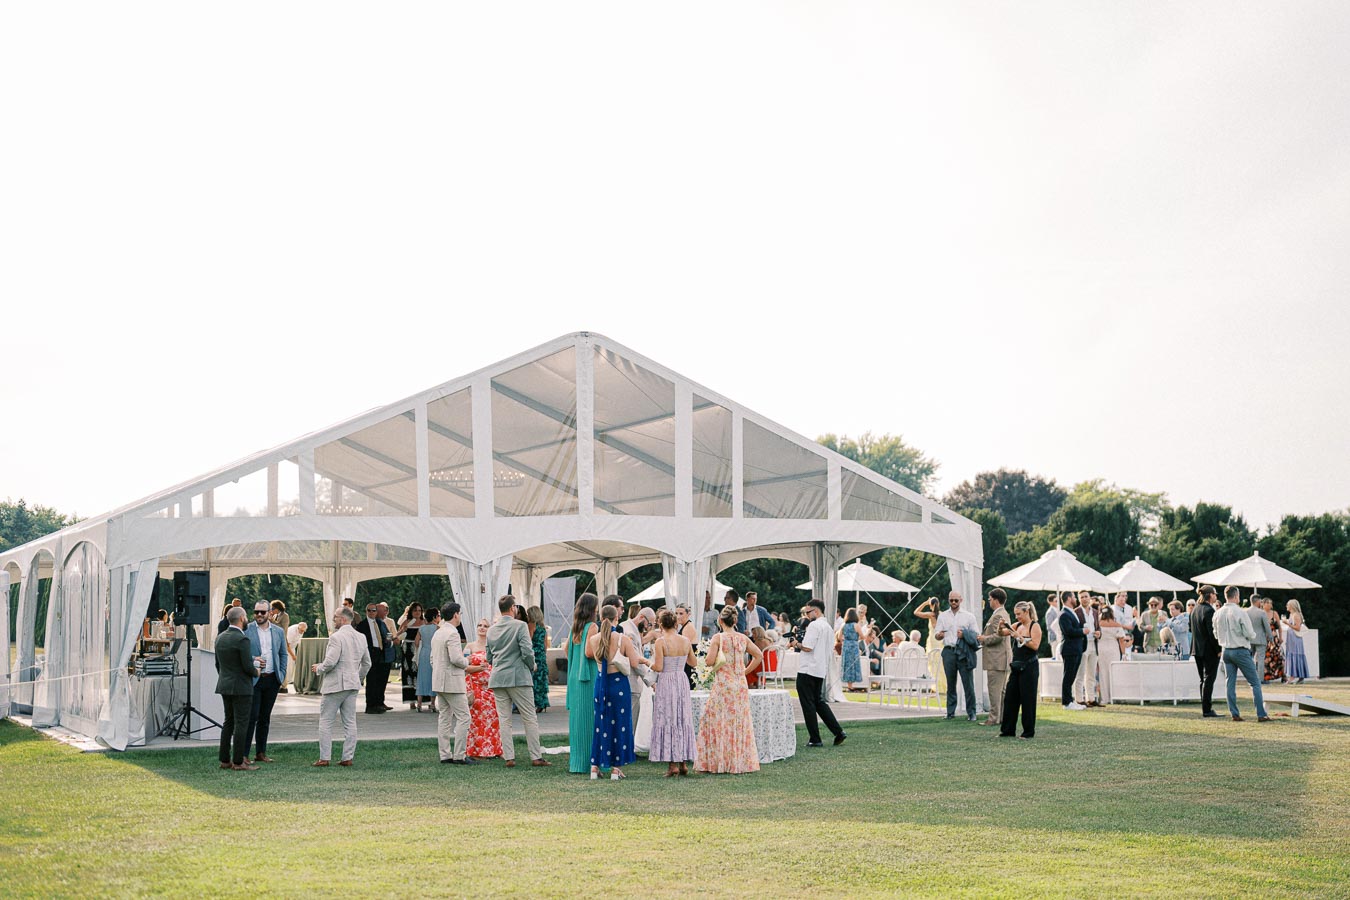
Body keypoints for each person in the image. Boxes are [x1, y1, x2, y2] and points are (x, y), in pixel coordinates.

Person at [695, 604, 762, 774]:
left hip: (724, 684)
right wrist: (744, 671)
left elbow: (709, 661)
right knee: (738, 722)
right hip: (739, 684)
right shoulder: (742, 638)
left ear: (720, 620)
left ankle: (719, 761)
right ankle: (738, 762)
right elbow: (759, 655)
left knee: (717, 720)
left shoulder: (718, 637)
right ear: (735, 620)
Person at [487, 595, 551, 768]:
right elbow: (527, 651)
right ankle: (536, 756)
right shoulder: (520, 625)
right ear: (513, 607)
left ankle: (509, 757)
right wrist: (533, 666)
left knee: (504, 720)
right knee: (529, 717)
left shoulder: (491, 630)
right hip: (518, 677)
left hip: (498, 677)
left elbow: (489, 656)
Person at [311, 607, 371, 767]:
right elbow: (367, 664)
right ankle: (347, 757)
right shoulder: (361, 637)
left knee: (326, 720)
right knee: (350, 722)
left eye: (335, 617)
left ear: (343, 619)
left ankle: (324, 757)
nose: (333, 620)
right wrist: (357, 677)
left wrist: (318, 668)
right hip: (352, 684)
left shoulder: (336, 637)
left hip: (335, 685)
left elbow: (330, 662)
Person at [586, 605, 641, 779]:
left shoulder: (594, 639)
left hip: (601, 684)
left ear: (601, 618)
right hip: (618, 685)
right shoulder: (622, 639)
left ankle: (595, 767)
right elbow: (634, 662)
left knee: (600, 725)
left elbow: (588, 654)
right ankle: (616, 769)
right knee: (621, 725)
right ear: (616, 618)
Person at [790, 599, 846, 748]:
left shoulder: (814, 625)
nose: (806, 615)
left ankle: (815, 738)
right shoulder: (828, 627)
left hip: (808, 669)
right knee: (819, 702)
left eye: (808, 612)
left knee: (808, 704)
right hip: (820, 669)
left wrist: (795, 642)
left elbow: (808, 647)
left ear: (816, 611)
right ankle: (838, 732)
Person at [649, 608, 697, 777]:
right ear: (676, 623)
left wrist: (645, 662)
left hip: (667, 680)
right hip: (681, 679)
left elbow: (659, 667)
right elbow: (693, 662)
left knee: (669, 717)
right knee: (681, 717)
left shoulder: (661, 642)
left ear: (660, 624)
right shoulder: (685, 640)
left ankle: (672, 765)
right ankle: (683, 763)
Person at [1214, 586, 1271, 722]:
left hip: (1226, 650)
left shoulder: (1218, 613)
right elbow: (1249, 633)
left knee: (1230, 683)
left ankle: (1234, 713)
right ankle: (1261, 714)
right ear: (1236, 596)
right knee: (1255, 682)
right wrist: (1252, 636)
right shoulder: (1240, 612)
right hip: (1240, 649)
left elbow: (1215, 634)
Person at [215, 607, 260, 771]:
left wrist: (226, 677)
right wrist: (257, 671)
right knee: (242, 724)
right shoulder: (242, 639)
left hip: (225, 684)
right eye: (246, 617)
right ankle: (239, 761)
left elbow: (218, 664)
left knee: (228, 722)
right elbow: (247, 667)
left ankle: (224, 760)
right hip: (241, 686)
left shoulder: (220, 637)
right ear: (241, 618)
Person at [244, 601, 288, 763]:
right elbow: (240, 653)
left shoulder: (277, 631)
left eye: (263, 612)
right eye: (256, 612)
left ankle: (261, 752)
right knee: (251, 717)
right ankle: (244, 754)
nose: (259, 615)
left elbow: (283, 654)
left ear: (270, 613)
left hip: (272, 679)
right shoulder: (246, 629)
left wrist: (281, 674)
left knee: (265, 718)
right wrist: (252, 659)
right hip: (254, 679)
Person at [430, 603, 474, 764]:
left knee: (444, 718)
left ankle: (445, 754)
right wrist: (466, 660)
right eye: (460, 613)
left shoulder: (439, 632)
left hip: (439, 680)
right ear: (455, 615)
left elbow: (433, 659)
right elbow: (456, 658)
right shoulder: (453, 633)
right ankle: (460, 755)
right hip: (452, 681)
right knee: (464, 717)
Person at [999, 601, 1042, 739]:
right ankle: (1007, 730)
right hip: (1017, 666)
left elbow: (1035, 646)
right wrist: (1000, 627)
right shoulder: (1016, 626)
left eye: (1019, 614)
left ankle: (1028, 732)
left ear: (1026, 612)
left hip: (1030, 667)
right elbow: (1002, 633)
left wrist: (1020, 638)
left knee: (1028, 699)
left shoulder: (1034, 626)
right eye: (1015, 614)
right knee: (1010, 698)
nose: (1016, 617)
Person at [567, 593, 600, 773]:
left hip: (575, 676)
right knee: (591, 719)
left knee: (578, 720)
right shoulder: (592, 627)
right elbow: (589, 652)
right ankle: (591, 761)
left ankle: (577, 762)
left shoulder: (575, 628)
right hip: (588, 676)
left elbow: (567, 650)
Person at [935, 590, 979, 721]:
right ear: (948, 600)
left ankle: (971, 712)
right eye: (951, 600)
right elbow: (936, 633)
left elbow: (976, 634)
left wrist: (964, 634)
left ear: (961, 600)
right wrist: (939, 635)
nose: (953, 603)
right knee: (951, 683)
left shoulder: (969, 616)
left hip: (963, 651)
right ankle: (950, 712)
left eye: (956, 600)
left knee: (968, 683)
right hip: (949, 650)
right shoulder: (943, 616)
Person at [465, 618, 503, 759]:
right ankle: (475, 750)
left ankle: (494, 749)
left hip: (491, 687)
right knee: (476, 719)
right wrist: (479, 668)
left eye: (485, 626)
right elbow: (464, 666)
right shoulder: (470, 646)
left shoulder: (494, 646)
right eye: (479, 625)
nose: (482, 628)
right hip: (475, 687)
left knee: (493, 717)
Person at [353, 602, 395, 713]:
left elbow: (386, 635)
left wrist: (388, 641)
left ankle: (379, 703)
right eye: (369, 610)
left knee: (381, 679)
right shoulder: (362, 625)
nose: (372, 612)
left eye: (374, 610)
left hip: (381, 652)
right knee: (372, 680)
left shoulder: (380, 623)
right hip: (370, 653)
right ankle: (370, 705)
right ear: (366, 612)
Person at [979, 588, 1011, 727]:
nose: (989, 601)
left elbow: (999, 636)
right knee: (1001, 691)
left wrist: (983, 638)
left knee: (995, 690)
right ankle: (1001, 716)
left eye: (990, 599)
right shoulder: (1002, 614)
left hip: (997, 659)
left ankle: (993, 718)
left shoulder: (999, 615)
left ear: (996, 600)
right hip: (1002, 658)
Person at [1191, 586, 1221, 718]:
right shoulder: (1209, 610)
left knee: (1202, 680)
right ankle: (1207, 709)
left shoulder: (1195, 609)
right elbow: (1212, 633)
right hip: (1208, 650)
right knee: (1209, 679)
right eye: (1215, 594)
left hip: (1197, 649)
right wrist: (1218, 649)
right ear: (1210, 595)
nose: (1216, 596)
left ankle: (1205, 707)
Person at [1057, 595, 1086, 710]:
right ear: (1069, 598)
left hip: (1076, 648)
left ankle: (1070, 700)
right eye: (1074, 596)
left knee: (1072, 676)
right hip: (1070, 649)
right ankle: (1067, 702)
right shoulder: (1064, 614)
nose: (1075, 598)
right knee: (1068, 676)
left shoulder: (1071, 612)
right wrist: (1083, 631)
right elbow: (1069, 631)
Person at [396, 602, 426, 709]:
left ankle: (421, 699)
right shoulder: (407, 621)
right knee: (408, 672)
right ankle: (411, 701)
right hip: (407, 648)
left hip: (420, 648)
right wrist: (403, 629)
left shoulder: (424, 622)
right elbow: (397, 635)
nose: (417, 613)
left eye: (419, 610)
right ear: (411, 612)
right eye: (415, 610)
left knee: (419, 672)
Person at [1096, 607, 1127, 705]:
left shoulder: (1098, 624)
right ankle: (1115, 696)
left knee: (1103, 674)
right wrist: (1124, 653)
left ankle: (1105, 698)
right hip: (1113, 649)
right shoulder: (1117, 625)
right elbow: (1121, 640)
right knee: (1114, 673)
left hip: (1101, 649)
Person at [1075, 591, 1101, 707]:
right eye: (1082, 597)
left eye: (1086, 597)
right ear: (1079, 599)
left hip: (1094, 644)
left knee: (1091, 673)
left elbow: (1098, 627)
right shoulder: (1076, 612)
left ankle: (1091, 698)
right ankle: (1079, 699)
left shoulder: (1095, 612)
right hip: (1082, 644)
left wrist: (1099, 634)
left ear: (1090, 598)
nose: (1084, 599)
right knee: (1080, 673)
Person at [415, 607, 441, 712]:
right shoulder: (437, 628)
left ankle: (419, 704)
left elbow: (416, 643)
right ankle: (432, 704)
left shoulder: (421, 628)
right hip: (433, 653)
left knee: (421, 676)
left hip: (424, 653)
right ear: (434, 617)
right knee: (432, 677)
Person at [527, 605, 551, 714]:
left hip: (534, 654)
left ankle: (536, 703)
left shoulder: (531, 625)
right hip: (541, 656)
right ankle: (542, 703)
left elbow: (528, 640)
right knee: (541, 680)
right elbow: (546, 645)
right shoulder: (543, 628)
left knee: (534, 680)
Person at [1245, 594, 1272, 682]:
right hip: (1260, 639)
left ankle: (1250, 678)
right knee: (1260, 659)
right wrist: (1271, 638)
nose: (1261, 603)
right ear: (1257, 602)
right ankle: (1260, 679)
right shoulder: (1262, 612)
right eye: (1260, 601)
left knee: (1249, 659)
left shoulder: (1246, 612)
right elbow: (1267, 627)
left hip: (1249, 639)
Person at [1283, 599, 1309, 684]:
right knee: (1294, 654)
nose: (1286, 606)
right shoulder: (1291, 615)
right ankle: (1300, 676)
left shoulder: (1296, 615)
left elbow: (1297, 628)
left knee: (1294, 654)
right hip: (1292, 638)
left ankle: (1292, 676)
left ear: (1292, 606)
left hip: (1295, 638)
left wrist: (1287, 623)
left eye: (1288, 605)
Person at [838, 608, 863, 690]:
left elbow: (839, 637)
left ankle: (848, 684)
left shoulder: (843, 625)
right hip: (854, 645)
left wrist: (845, 641)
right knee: (853, 663)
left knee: (846, 663)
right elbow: (862, 637)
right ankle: (851, 685)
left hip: (846, 645)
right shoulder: (856, 625)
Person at [1264, 599, 1284, 683]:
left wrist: (1280, 637)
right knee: (1266, 657)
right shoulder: (1261, 613)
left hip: (1274, 637)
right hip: (1264, 638)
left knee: (1278, 656)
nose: (1269, 604)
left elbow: (1279, 626)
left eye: (1270, 603)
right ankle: (1267, 676)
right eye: (1267, 603)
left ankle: (1282, 675)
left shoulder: (1274, 613)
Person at [284, 620, 307, 692]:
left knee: (291, 666)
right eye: (301, 631)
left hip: (293, 647)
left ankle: (288, 681)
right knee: (287, 665)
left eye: (304, 631)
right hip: (286, 648)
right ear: (298, 628)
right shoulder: (292, 631)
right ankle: (284, 684)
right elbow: (287, 644)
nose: (302, 632)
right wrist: (293, 655)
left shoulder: (301, 630)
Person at [1044, 594, 1063, 659]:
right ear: (1050, 602)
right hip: (1054, 638)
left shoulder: (1058, 610)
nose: (1058, 602)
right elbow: (1049, 627)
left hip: (1060, 636)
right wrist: (1057, 634)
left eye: (1058, 601)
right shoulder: (1050, 612)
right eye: (1056, 601)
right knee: (1055, 656)